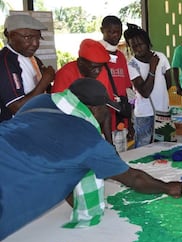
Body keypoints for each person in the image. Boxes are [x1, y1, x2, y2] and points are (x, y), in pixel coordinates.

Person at [0, 78, 182, 240]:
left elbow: (51, 152)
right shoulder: (89, 141)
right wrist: (167, 187)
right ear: (93, 109)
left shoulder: (40, 101)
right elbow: (134, 179)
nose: (106, 113)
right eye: (105, 108)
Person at [52, 38, 115, 143]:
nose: (98, 71)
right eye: (94, 67)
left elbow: (105, 111)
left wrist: (110, 144)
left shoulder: (102, 72)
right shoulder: (65, 74)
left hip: (93, 132)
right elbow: (59, 114)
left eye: (101, 67)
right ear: (80, 62)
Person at [124, 23, 174, 147]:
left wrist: (160, 95)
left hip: (162, 111)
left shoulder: (161, 57)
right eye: (134, 46)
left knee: (164, 146)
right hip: (144, 114)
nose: (138, 49)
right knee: (142, 148)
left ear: (147, 42)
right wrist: (152, 68)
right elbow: (145, 93)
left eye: (140, 44)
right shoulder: (131, 65)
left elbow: (169, 82)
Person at [0, 14, 55, 122]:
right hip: (15, 130)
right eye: (28, 37)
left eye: (38, 38)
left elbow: (45, 91)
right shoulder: (5, 62)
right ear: (8, 34)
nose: (35, 44)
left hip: (34, 123)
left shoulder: (33, 59)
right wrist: (45, 80)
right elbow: (17, 107)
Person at [99, 15, 134, 143]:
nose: (115, 35)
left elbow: (128, 89)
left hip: (120, 118)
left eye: (118, 32)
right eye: (111, 32)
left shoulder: (120, 56)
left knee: (121, 157)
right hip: (101, 121)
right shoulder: (96, 54)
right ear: (102, 30)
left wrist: (130, 122)